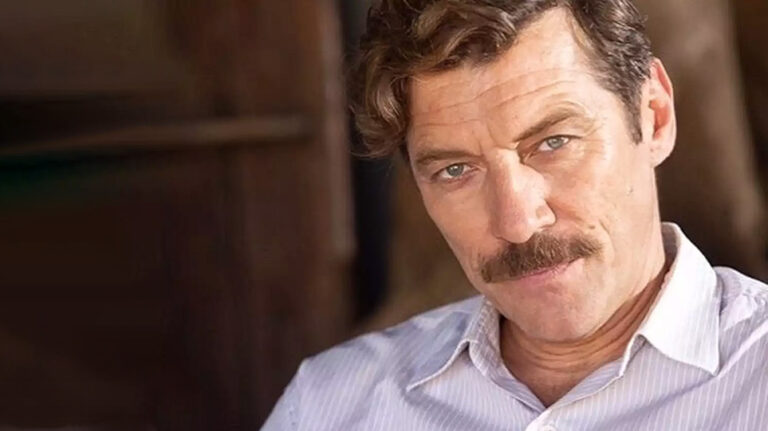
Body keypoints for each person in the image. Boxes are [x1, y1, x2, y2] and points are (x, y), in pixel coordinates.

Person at [263, 0, 768, 429]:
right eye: (455, 170)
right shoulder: (330, 406)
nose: (518, 223)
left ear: (654, 116)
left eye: (554, 142)